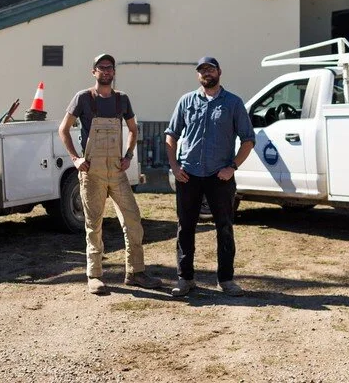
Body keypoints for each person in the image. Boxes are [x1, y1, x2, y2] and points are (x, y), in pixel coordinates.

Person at [59, 54, 162, 295]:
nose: (106, 71)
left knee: (133, 219)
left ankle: (135, 273)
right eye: (101, 67)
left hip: (116, 171)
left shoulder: (122, 99)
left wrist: (128, 155)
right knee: (94, 224)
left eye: (109, 67)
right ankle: (94, 275)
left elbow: (133, 129)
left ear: (114, 72)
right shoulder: (83, 98)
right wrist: (75, 159)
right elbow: (63, 129)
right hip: (92, 171)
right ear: (93, 71)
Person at [164, 56, 255, 297]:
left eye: (210, 69)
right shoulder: (186, 101)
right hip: (188, 175)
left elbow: (248, 139)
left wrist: (232, 167)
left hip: (219, 176)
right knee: (185, 227)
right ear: (198, 75)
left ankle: (226, 280)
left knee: (224, 227)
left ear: (219, 72)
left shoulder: (233, 103)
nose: (206, 73)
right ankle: (185, 279)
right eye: (202, 70)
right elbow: (171, 134)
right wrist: (174, 166)